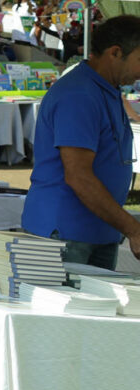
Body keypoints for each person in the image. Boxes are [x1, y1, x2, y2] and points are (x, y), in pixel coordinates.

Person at [21, 16, 140, 269]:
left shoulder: (106, 89)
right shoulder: (79, 94)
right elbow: (78, 175)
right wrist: (133, 229)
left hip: (98, 231)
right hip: (65, 234)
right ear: (115, 53)